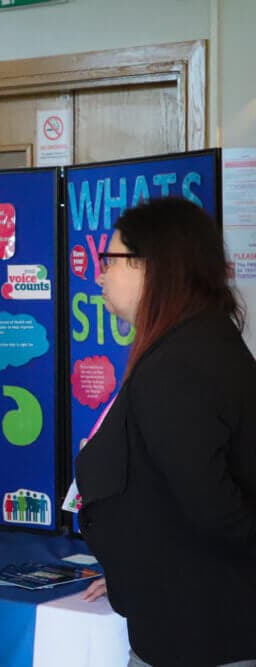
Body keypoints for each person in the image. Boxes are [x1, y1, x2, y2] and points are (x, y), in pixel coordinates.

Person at [75, 198, 256, 667]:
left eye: (108, 260)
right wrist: (132, 570)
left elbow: (213, 509)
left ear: (151, 267)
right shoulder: (199, 343)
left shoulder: (179, 366)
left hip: (202, 632)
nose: (99, 276)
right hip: (194, 615)